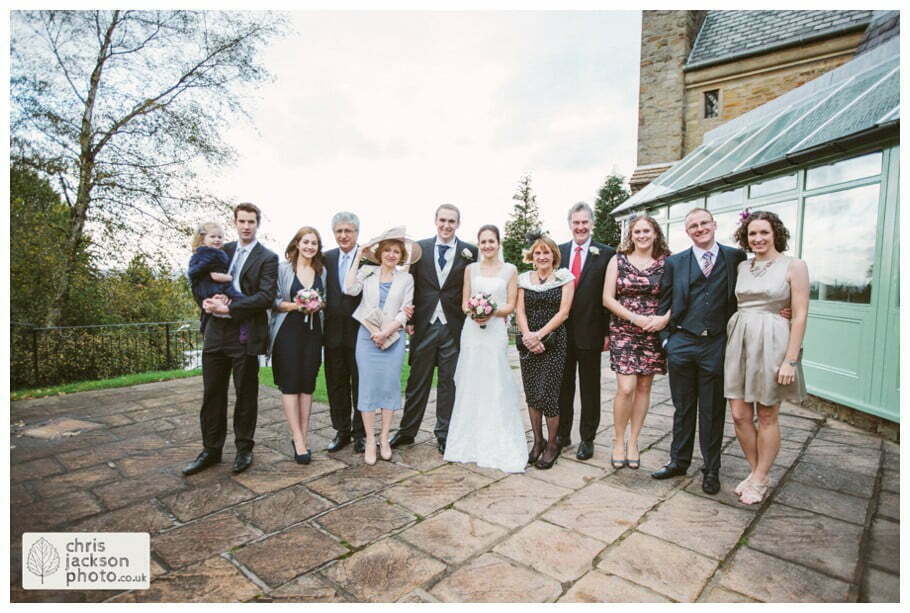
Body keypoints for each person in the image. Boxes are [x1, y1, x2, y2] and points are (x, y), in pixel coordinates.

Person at [650, 208, 746, 495]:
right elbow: (663, 304)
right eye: (693, 225)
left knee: (712, 410)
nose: (700, 228)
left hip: (716, 344)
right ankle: (678, 461)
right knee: (683, 407)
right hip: (682, 343)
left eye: (704, 223)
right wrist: (667, 341)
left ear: (714, 224)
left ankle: (711, 469)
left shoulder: (734, 258)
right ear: (687, 231)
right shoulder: (676, 263)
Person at [183, 203, 278, 476]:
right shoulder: (219, 250)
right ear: (235, 222)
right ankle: (210, 450)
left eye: (251, 221)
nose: (246, 226)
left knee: (246, 394)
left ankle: (243, 449)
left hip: (244, 333)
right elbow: (196, 279)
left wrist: (231, 308)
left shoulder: (267, 258)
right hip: (215, 331)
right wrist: (206, 302)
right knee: (212, 393)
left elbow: (265, 297)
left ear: (257, 224)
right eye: (242, 221)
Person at [725, 210, 808, 504]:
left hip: (774, 342)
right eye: (752, 234)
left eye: (764, 233)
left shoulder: (794, 265)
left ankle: (759, 478)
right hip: (741, 342)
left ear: (776, 234)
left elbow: (799, 315)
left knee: (768, 413)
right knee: (739, 414)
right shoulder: (742, 268)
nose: (758, 239)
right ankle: (756, 470)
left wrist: (791, 359)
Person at [392, 204, 478, 454]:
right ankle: (407, 431)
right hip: (424, 325)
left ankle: (444, 433)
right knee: (417, 382)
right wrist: (408, 320)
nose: (446, 226)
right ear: (435, 221)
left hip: (454, 326)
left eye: (452, 221)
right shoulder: (420, 249)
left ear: (458, 224)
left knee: (448, 383)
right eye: (442, 220)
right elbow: (410, 283)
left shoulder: (470, 252)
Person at [444, 225, 526, 473]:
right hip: (472, 332)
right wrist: (475, 312)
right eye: (483, 242)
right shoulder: (471, 269)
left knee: (495, 380)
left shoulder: (510, 270)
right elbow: (464, 304)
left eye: (492, 241)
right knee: (471, 381)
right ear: (479, 244)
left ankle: (497, 439)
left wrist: (490, 311)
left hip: (495, 332)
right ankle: (466, 442)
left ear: (499, 243)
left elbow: (511, 305)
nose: (488, 246)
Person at [345, 227, 419, 465]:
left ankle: (384, 438)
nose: (391, 254)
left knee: (389, 387)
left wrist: (387, 331)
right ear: (379, 253)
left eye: (396, 251)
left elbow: (405, 311)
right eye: (387, 250)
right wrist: (359, 255)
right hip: (367, 338)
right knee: (366, 388)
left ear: (401, 255)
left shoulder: (406, 278)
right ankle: (369, 439)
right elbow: (349, 288)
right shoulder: (367, 272)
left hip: (393, 339)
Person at [603, 215, 671, 470]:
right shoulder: (617, 261)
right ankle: (618, 440)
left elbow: (677, 295)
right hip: (624, 329)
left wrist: (664, 319)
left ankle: (633, 441)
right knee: (627, 388)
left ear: (655, 234)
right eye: (637, 231)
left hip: (653, 331)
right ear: (631, 235)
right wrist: (635, 318)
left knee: (644, 387)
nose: (642, 235)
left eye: (646, 231)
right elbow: (607, 298)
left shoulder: (667, 262)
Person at [557, 202, 615, 461]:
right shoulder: (558, 252)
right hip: (561, 333)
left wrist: (608, 332)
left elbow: (611, 296)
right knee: (563, 387)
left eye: (584, 222)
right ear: (569, 224)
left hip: (591, 332)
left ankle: (587, 439)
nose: (580, 227)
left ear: (592, 224)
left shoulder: (606, 254)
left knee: (590, 389)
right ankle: (562, 434)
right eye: (575, 222)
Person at [268, 226, 327, 465]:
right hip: (287, 334)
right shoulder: (283, 269)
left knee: (307, 385)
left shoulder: (321, 272)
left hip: (313, 334)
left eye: (314, 243)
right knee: (291, 385)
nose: (310, 247)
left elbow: (327, 300)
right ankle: (297, 438)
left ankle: (304, 434)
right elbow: (273, 301)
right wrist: (298, 305)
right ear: (297, 244)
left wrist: (317, 305)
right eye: (306, 242)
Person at [516, 234, 575, 470]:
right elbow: (519, 311)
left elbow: (564, 313)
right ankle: (537, 441)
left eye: (546, 252)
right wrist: (528, 336)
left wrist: (539, 335)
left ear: (554, 255)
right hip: (528, 340)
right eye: (538, 253)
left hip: (553, 341)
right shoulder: (523, 279)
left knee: (549, 394)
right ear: (532, 256)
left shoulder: (564, 278)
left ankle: (552, 444)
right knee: (532, 394)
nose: (542, 256)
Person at [322, 212, 367, 454]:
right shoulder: (325, 258)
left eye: (348, 231)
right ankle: (342, 431)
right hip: (331, 333)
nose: (343, 235)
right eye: (339, 231)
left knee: (360, 384)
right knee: (335, 383)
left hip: (360, 332)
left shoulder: (368, 258)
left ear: (357, 233)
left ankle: (361, 433)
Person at [186, 221, 245, 335]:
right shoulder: (209, 253)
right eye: (212, 236)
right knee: (239, 300)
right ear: (202, 238)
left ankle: (205, 328)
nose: (217, 239)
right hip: (210, 287)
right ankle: (243, 328)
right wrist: (226, 277)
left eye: (220, 237)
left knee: (212, 309)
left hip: (213, 287)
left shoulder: (211, 252)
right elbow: (207, 274)